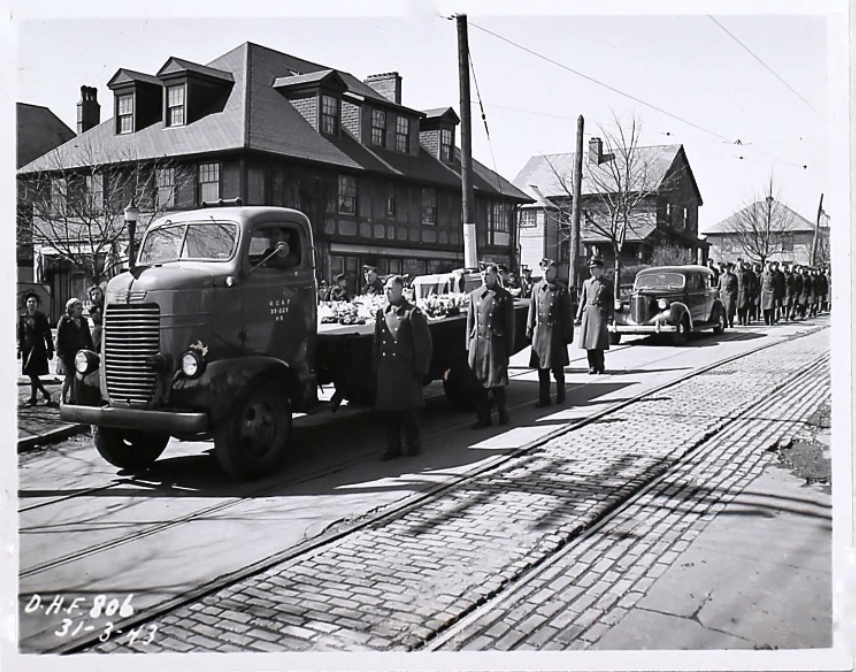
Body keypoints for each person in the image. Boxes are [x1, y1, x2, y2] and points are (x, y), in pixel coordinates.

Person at [373, 275, 433, 461]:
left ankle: (413, 445)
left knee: (407, 411)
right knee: (389, 412)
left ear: (400, 290)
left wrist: (420, 370)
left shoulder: (412, 313)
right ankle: (393, 447)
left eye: (390, 288)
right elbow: (377, 343)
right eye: (386, 288)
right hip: (387, 371)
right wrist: (376, 368)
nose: (387, 291)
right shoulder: (382, 313)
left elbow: (423, 345)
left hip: (405, 370)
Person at [466, 261, 515, 429]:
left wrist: (509, 348)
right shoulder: (475, 295)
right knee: (479, 385)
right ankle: (483, 417)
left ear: (496, 275)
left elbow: (510, 326)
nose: (484, 277)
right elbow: (470, 321)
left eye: (487, 274)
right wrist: (469, 344)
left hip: (495, 345)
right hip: (478, 344)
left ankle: (502, 411)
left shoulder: (503, 296)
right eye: (482, 274)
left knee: (496, 383)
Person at [527, 258, 574, 407]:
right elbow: (532, 309)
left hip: (555, 334)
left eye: (549, 271)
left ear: (554, 272)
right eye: (544, 271)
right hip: (540, 333)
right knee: (542, 369)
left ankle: (561, 392)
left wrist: (567, 335)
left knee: (557, 367)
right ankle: (544, 399)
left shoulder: (561, 289)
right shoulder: (537, 288)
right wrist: (529, 328)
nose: (546, 274)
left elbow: (567, 315)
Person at [17, 292, 56, 407]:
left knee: (33, 373)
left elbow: (47, 334)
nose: (31, 304)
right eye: (29, 302)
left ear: (37, 304)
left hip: (38, 347)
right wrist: (18, 348)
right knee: (31, 373)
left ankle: (35, 398)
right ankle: (44, 394)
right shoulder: (23, 317)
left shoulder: (41, 317)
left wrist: (50, 349)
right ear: (26, 304)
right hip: (27, 348)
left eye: (34, 302)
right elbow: (20, 334)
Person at [575, 257, 613, 375]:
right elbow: (583, 299)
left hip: (600, 313)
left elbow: (610, 301)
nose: (592, 271)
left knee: (598, 342)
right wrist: (578, 315)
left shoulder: (607, 283)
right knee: (588, 342)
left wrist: (611, 316)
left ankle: (600, 366)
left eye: (594, 269)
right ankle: (591, 366)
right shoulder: (587, 283)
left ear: (601, 270)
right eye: (591, 269)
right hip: (588, 313)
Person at [56, 297, 94, 405]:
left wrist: (91, 351)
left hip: (80, 353)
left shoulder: (83, 321)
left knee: (77, 377)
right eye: (78, 308)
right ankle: (62, 398)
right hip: (67, 354)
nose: (81, 310)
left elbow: (88, 338)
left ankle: (73, 398)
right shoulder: (64, 321)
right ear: (71, 309)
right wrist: (60, 353)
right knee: (69, 376)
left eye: (81, 308)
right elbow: (59, 338)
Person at [718, 262, 737, 328]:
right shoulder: (721, 277)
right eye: (726, 268)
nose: (727, 269)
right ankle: (725, 324)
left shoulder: (733, 276)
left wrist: (734, 294)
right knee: (723, 310)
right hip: (723, 295)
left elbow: (736, 286)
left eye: (728, 268)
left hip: (730, 295)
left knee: (729, 310)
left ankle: (731, 322)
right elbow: (718, 286)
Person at [88, 285, 105, 351]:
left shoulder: (104, 306)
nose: (95, 296)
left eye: (97, 293)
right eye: (93, 294)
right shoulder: (92, 309)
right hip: (97, 332)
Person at [759, 261, 776, 326]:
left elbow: (776, 284)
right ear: (765, 267)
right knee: (765, 308)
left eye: (770, 266)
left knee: (771, 308)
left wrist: (775, 291)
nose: (768, 267)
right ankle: (766, 321)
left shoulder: (774, 274)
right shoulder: (762, 274)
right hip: (764, 292)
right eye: (767, 266)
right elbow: (760, 283)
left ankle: (771, 321)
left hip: (771, 292)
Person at [735, 262, 750, 326]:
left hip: (743, 291)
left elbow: (748, 282)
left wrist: (747, 289)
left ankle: (744, 320)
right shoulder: (735, 273)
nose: (740, 266)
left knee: (744, 306)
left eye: (741, 265)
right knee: (738, 307)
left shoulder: (745, 273)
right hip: (737, 291)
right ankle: (739, 320)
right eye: (739, 265)